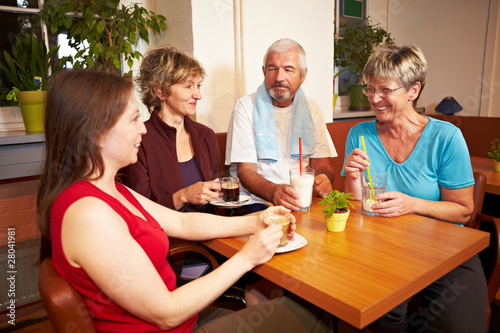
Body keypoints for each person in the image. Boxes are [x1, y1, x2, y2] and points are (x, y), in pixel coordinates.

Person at [37, 68, 335, 332]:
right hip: (174, 323)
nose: (143, 128)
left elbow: (182, 220)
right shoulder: (89, 213)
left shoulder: (109, 189)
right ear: (96, 134)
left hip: (185, 320)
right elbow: (166, 313)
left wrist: (256, 221)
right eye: (133, 119)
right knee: (316, 314)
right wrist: (247, 257)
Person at [342, 44, 487, 332]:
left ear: (413, 90)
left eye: (384, 90)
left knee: (459, 325)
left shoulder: (446, 137)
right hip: (382, 252)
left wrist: (412, 204)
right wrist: (350, 176)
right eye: (370, 89)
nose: (374, 98)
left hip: (443, 251)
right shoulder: (359, 134)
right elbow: (355, 209)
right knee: (380, 315)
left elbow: (463, 212)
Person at [225, 38, 337, 215]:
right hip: (256, 204)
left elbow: (322, 164)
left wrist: (323, 178)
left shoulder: (312, 109)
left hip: (303, 202)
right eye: (272, 68)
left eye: (288, 69)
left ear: (303, 74)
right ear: (264, 72)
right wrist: (273, 192)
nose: (279, 77)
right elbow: (245, 171)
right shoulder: (245, 107)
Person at [121, 46, 220, 214]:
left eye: (198, 86)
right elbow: (139, 211)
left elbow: (218, 199)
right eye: (188, 86)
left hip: (211, 233)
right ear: (160, 91)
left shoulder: (206, 135)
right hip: (169, 238)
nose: (198, 95)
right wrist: (183, 196)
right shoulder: (139, 141)